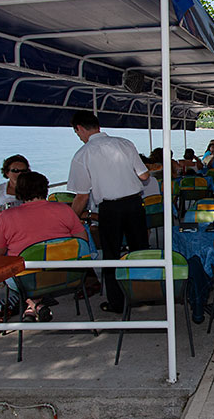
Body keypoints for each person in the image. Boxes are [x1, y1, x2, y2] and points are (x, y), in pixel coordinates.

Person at [67, 111, 150, 314]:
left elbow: (82, 196)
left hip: (110, 209)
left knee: (112, 256)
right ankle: (145, 293)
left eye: (77, 132)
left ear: (79, 128)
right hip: (134, 203)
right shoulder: (124, 143)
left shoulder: (82, 155)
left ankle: (117, 303)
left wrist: (69, 219)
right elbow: (145, 174)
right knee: (141, 251)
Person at [0, 171, 87, 321]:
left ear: (19, 192)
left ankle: (32, 304)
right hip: (66, 274)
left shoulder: (7, 217)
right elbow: (82, 240)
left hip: (27, 279)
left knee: (10, 267)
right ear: (45, 189)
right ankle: (35, 306)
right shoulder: (64, 210)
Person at [0, 154, 30, 219]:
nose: (19, 174)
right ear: (7, 172)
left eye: (23, 171)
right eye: (15, 170)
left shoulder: (34, 189)